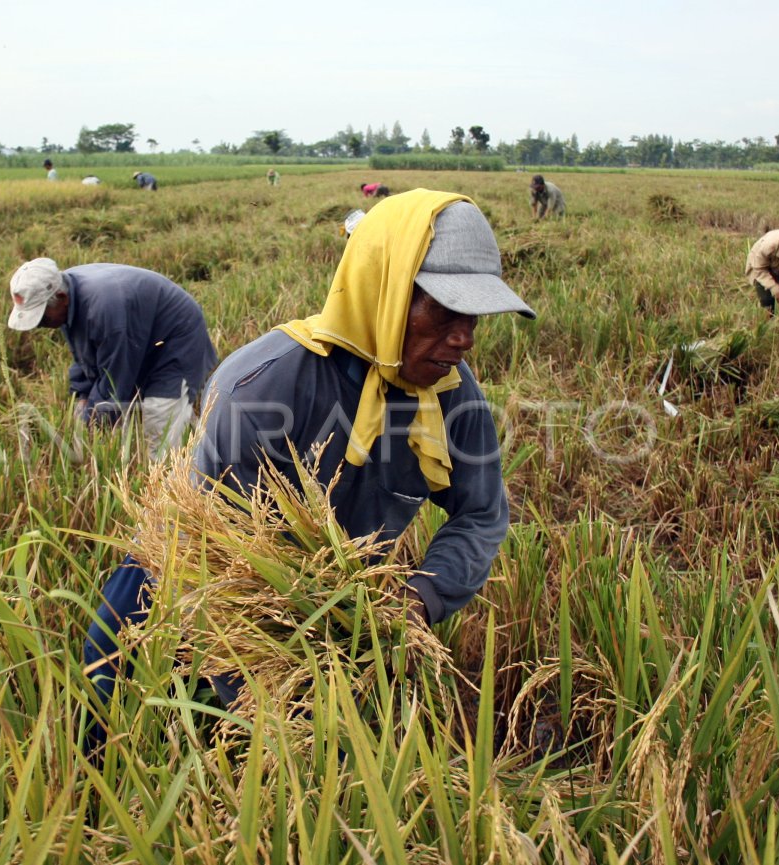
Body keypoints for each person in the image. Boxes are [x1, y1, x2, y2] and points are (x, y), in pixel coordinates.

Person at [82, 189, 535, 732]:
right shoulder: (261, 387)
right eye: (442, 310)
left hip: (329, 609)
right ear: (383, 291)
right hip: (181, 594)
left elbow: (481, 513)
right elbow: (217, 569)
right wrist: (274, 711)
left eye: (474, 317)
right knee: (119, 740)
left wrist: (421, 594)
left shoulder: (450, 394)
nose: (463, 338)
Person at [6, 258, 218, 454]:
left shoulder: (105, 308)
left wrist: (93, 419)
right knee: (153, 411)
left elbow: (116, 381)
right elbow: (85, 355)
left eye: (42, 317)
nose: (41, 326)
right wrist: (82, 396)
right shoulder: (67, 292)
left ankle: (180, 478)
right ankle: (197, 437)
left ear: (61, 298)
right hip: (143, 336)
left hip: (176, 340)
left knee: (160, 419)